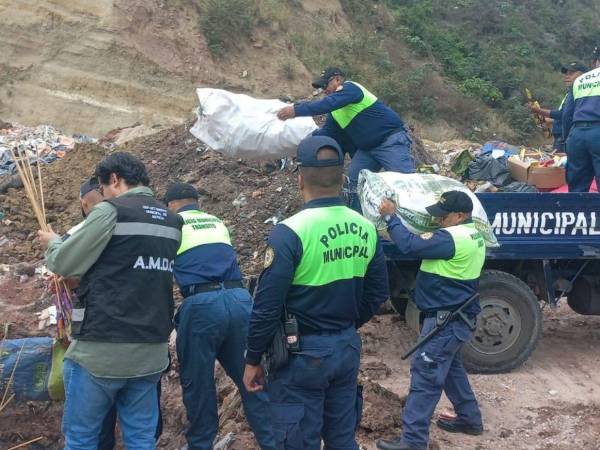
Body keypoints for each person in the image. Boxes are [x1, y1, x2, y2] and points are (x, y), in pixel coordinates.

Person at [243, 135, 390, 449]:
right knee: (341, 438)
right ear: (342, 179)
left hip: (302, 355)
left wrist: (252, 358)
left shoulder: (290, 232)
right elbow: (378, 293)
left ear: (300, 180)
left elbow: (267, 305)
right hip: (346, 347)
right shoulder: (366, 227)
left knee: (296, 440)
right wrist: (343, 327)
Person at [38, 152, 183, 450]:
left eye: (102, 189)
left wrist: (52, 243)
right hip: (151, 351)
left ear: (114, 179)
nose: (102, 196)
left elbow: (64, 262)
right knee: (141, 439)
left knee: (81, 439)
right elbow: (132, 267)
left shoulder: (110, 211)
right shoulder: (172, 220)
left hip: (101, 350)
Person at [162, 182, 275, 450]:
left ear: (169, 206)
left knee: (198, 387)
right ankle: (274, 443)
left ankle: (201, 444)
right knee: (254, 383)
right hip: (240, 301)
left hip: (201, 307)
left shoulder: (172, 224)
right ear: (197, 201)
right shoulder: (216, 222)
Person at [376, 190, 485, 450]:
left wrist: (391, 218)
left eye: (443, 216)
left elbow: (410, 246)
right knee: (451, 369)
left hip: (445, 321)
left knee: (425, 373)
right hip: (457, 318)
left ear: (460, 215)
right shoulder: (473, 234)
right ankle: (470, 419)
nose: (438, 221)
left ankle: (412, 442)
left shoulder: (452, 238)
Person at [277, 67, 415, 211]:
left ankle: (420, 224)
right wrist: (303, 143)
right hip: (367, 150)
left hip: (390, 142)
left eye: (326, 85)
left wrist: (296, 110)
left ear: (337, 79)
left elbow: (327, 104)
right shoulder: (335, 111)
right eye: (322, 87)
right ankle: (360, 221)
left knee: (405, 184)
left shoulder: (351, 88)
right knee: (352, 185)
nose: (324, 90)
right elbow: (328, 133)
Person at [561, 47, 600, 192]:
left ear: (596, 62)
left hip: (577, 135)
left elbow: (567, 115)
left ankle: (576, 212)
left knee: (577, 187)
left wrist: (567, 139)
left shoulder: (580, 80)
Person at [528, 61, 588, 152]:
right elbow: (566, 115)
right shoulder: (570, 94)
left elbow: (561, 114)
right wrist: (548, 120)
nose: (567, 77)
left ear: (583, 75)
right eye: (566, 74)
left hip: (566, 138)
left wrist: (538, 110)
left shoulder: (581, 95)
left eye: (571, 73)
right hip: (562, 138)